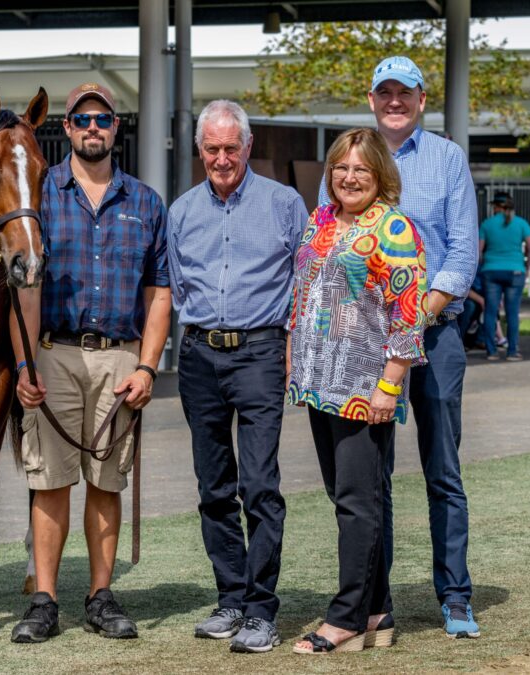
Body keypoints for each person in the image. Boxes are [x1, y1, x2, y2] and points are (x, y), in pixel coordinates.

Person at [323, 55, 480, 638]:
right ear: (372, 98)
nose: (394, 101)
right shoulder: (350, 158)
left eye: (405, 93)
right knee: (372, 479)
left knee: (443, 471)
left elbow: (463, 252)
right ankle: (374, 600)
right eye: (384, 92)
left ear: (420, 100)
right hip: (364, 350)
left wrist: (416, 320)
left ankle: (455, 596)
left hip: (435, 338)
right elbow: (329, 240)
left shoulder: (446, 159)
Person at [9, 83, 171, 643]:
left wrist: (148, 366)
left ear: (116, 127)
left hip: (119, 358)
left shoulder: (147, 202)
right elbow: (23, 288)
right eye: (83, 119)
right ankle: (45, 600)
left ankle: (101, 596)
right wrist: (23, 364)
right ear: (68, 128)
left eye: (103, 118)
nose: (93, 127)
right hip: (52, 353)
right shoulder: (41, 194)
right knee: (50, 482)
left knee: (106, 482)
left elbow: (159, 293)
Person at [169, 99, 307, 653]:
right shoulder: (181, 211)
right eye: (212, 149)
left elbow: (305, 283)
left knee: (259, 486)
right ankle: (229, 599)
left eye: (231, 147)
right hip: (200, 355)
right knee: (213, 488)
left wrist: (293, 348)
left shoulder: (284, 204)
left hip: (259, 353)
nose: (222, 158)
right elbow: (178, 288)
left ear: (248, 147)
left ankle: (260, 608)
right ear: (200, 150)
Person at [289, 128, 427, 654]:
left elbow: (408, 314)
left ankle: (344, 618)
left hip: (365, 388)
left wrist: (389, 385)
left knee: (357, 502)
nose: (348, 178)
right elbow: (302, 293)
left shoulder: (393, 227)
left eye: (360, 170)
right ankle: (376, 611)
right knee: (351, 498)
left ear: (380, 176)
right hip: (319, 385)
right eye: (340, 169)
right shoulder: (320, 219)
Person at [480, 192, 530, 362]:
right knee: (512, 313)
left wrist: (484, 265)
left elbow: (478, 251)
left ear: (497, 207)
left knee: (490, 312)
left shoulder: (487, 224)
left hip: (491, 271)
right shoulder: (521, 223)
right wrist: (526, 267)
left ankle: (491, 351)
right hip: (515, 271)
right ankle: (512, 351)